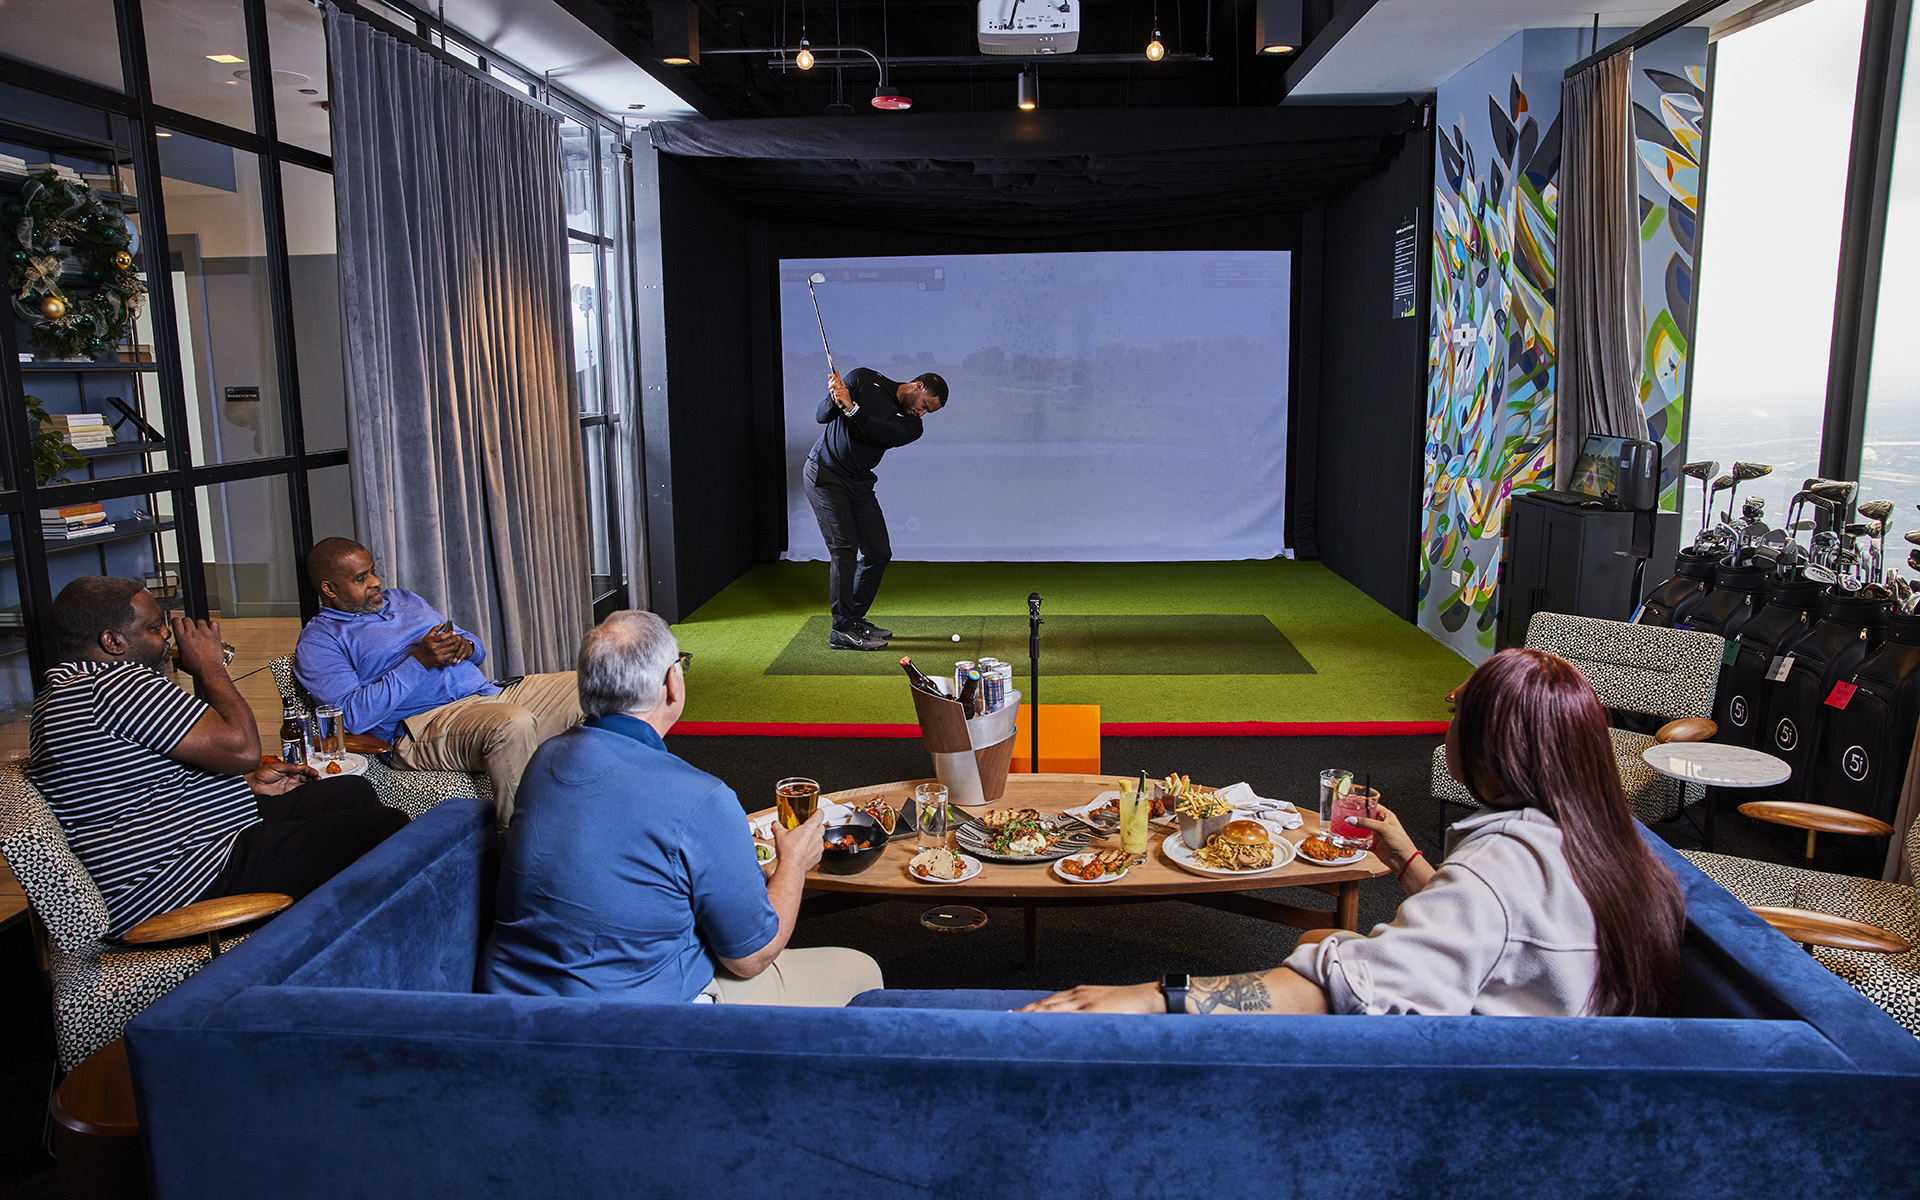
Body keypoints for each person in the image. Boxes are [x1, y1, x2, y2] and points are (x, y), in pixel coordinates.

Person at [1020, 647, 1687, 1017]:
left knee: (1323, 955)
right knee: (1322, 937)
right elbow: (1499, 936)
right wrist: (1408, 858)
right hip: (1574, 1063)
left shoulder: (1497, 875)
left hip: (1493, 1090)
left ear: (1492, 750)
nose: (1447, 725)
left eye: (1458, 713)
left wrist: (1157, 998)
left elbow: (1343, 987)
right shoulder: (1609, 845)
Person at [478, 610, 883, 1005]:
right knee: (860, 970)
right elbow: (750, 957)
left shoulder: (543, 760)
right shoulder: (701, 797)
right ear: (673, 683)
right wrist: (794, 862)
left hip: (506, 1007)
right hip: (628, 1024)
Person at [30, 577, 408, 939]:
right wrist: (210, 665)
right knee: (383, 827)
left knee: (349, 792)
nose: (167, 635)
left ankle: (344, 926)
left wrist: (243, 786)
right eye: (153, 628)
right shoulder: (117, 686)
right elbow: (243, 750)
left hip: (188, 847)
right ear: (112, 641)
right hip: (184, 879)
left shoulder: (61, 694)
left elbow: (135, 784)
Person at [294, 538, 582, 828]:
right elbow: (351, 716)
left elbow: (474, 645)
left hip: (487, 694)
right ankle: (525, 848)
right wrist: (420, 662)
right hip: (422, 725)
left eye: (372, 571)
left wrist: (466, 646)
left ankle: (591, 820)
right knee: (512, 724)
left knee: (591, 688)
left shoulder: (404, 599)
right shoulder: (320, 640)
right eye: (361, 578)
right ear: (329, 589)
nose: (375, 581)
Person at [804, 367, 947, 651]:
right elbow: (822, 416)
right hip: (825, 474)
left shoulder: (912, 427)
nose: (922, 414)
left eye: (928, 412)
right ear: (918, 386)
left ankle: (854, 619)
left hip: (859, 483)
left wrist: (852, 409)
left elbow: (879, 432)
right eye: (924, 406)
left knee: (879, 552)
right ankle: (842, 630)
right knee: (844, 549)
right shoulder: (864, 379)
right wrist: (834, 397)